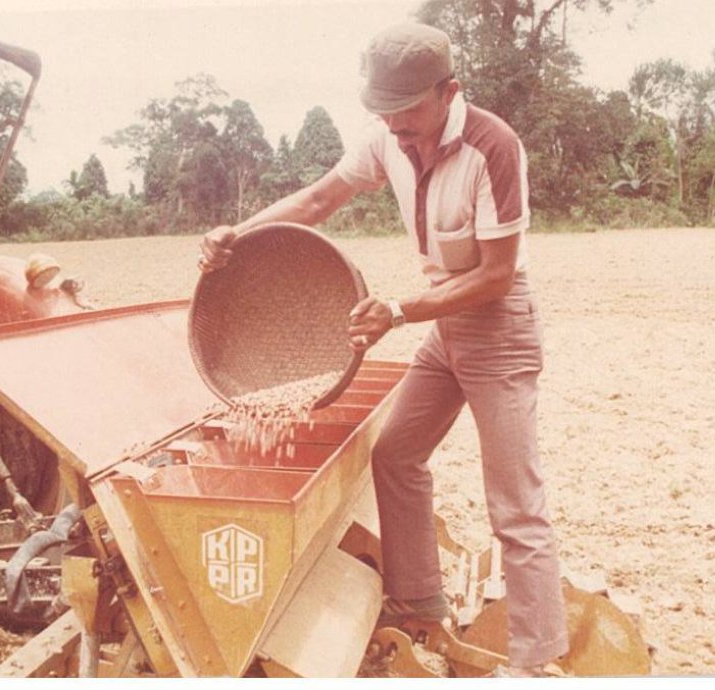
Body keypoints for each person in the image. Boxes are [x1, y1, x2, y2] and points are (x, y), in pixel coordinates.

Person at [199, 23, 569, 676]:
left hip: (499, 328)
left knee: (515, 501)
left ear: (448, 92)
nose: (395, 129)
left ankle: (535, 663)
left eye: (406, 115)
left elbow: (494, 274)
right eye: (383, 116)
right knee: (396, 455)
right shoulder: (388, 138)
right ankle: (420, 602)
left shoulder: (493, 148)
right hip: (446, 326)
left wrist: (397, 311)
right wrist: (241, 233)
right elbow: (319, 198)